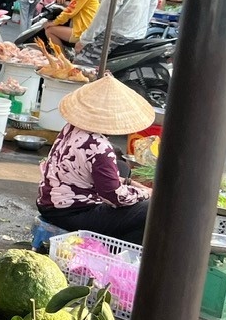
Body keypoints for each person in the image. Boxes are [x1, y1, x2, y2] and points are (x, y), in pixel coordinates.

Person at [37, 74, 155, 244]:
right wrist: (145, 194)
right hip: (70, 213)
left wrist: (129, 183)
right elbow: (115, 197)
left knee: (120, 166)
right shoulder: (99, 147)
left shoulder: (71, 128)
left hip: (50, 202)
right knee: (150, 210)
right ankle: (115, 251)